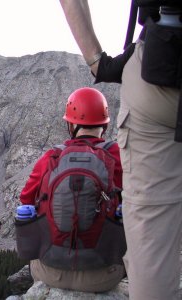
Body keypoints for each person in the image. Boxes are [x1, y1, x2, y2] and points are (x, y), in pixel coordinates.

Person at [59, 1, 182, 299]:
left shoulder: (54, 158)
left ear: (71, 124)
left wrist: (97, 61)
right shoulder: (110, 154)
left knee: (152, 252)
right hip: (103, 269)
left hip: (160, 64)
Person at [19, 87, 125, 292]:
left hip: (51, 273)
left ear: (71, 124)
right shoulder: (117, 155)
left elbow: (25, 200)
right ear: (104, 123)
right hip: (103, 276)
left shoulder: (51, 157)